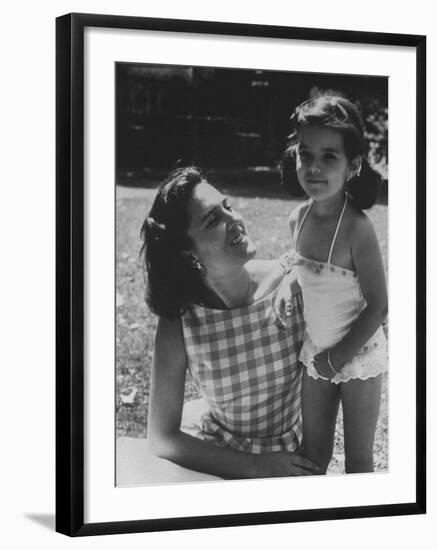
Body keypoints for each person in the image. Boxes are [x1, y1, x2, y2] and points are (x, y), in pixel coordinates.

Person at [124, 166, 320, 483]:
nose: (235, 220)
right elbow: (161, 438)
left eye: (227, 206)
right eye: (213, 220)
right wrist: (256, 467)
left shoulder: (290, 283)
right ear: (189, 254)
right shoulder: (180, 319)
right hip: (220, 460)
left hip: (293, 457)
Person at [278, 94, 388, 474]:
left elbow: (379, 306)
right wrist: (285, 283)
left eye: (329, 157)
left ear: (352, 165)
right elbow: (299, 266)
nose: (313, 167)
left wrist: (338, 358)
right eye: (305, 154)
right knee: (311, 454)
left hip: (357, 354)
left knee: (358, 462)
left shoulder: (358, 229)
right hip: (317, 351)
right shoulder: (298, 218)